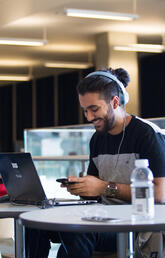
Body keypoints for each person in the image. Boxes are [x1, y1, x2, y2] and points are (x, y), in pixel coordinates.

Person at [25, 67, 165, 258]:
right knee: (36, 223)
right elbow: (95, 189)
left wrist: (103, 188)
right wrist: (82, 187)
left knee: (78, 232)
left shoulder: (147, 135)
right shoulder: (98, 139)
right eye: (85, 111)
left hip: (137, 225)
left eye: (94, 109)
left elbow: (159, 194)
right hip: (104, 218)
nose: (89, 117)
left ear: (115, 102)